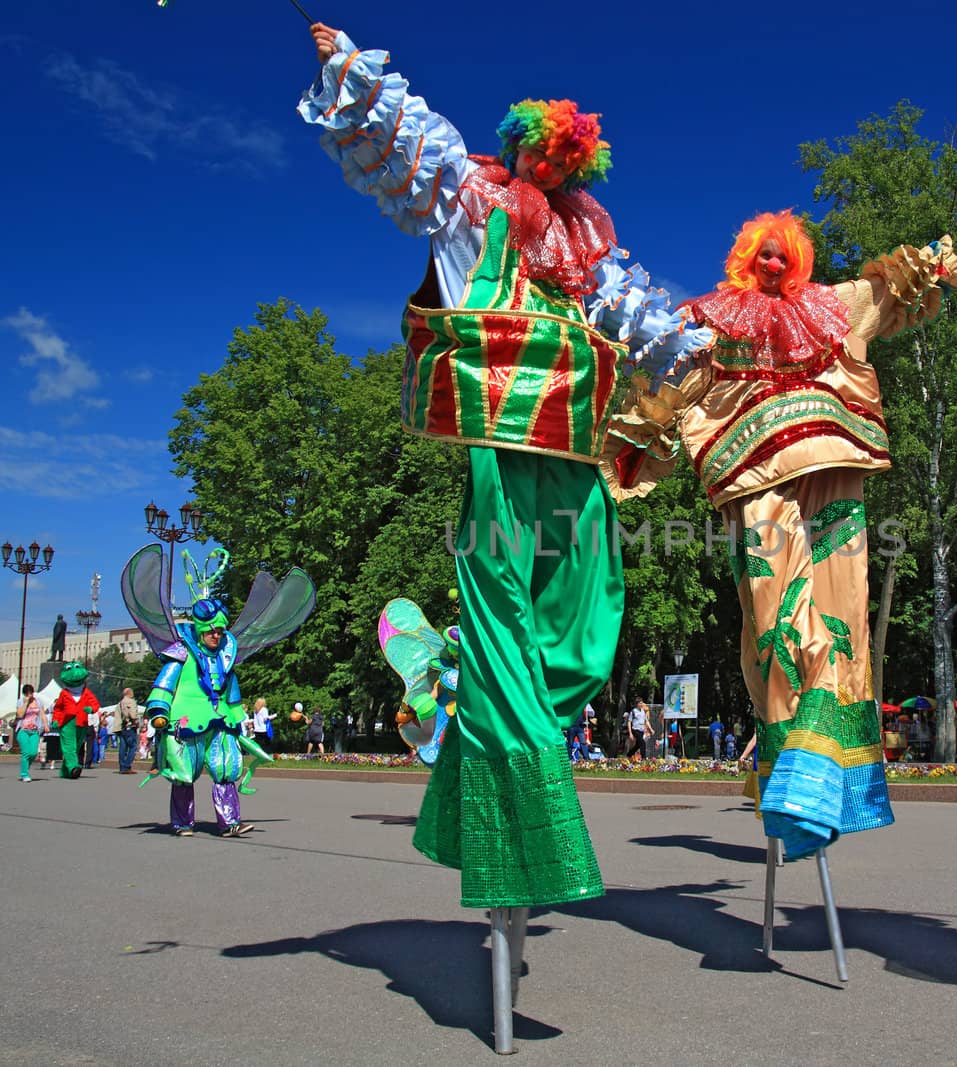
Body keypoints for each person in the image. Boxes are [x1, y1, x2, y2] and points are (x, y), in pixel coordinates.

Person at [301, 21, 713, 910]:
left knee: (591, 622)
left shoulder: (581, 249)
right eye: (543, 151)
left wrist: (703, 350)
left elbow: (644, 314)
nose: (553, 169)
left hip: (574, 443)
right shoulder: (469, 198)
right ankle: (513, 786)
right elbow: (405, 125)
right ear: (519, 146)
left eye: (569, 160)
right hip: (497, 437)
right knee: (501, 611)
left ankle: (474, 731)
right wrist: (346, 63)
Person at [604, 211, 957, 857]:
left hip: (832, 460)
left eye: (784, 256)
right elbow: (674, 381)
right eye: (763, 255)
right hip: (750, 477)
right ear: (746, 258)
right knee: (771, 614)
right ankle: (791, 757)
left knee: (842, 610)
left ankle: (823, 763)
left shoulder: (832, 305)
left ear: (797, 261)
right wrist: (632, 441)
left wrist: (931, 266)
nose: (774, 265)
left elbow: (884, 290)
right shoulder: (713, 322)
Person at [131, 547, 311, 838]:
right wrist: (160, 713)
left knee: (226, 772)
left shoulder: (226, 657)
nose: (218, 635)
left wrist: (239, 718)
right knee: (184, 775)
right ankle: (182, 823)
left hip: (220, 723)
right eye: (212, 630)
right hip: (185, 724)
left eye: (220, 630)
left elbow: (232, 693)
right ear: (201, 630)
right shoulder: (182, 653)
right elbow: (163, 685)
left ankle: (230, 823)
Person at [51, 663, 100, 780]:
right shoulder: (64, 693)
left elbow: (95, 703)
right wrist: (56, 720)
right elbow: (58, 708)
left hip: (81, 723)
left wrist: (91, 709)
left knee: (77, 746)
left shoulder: (86, 692)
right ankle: (73, 767)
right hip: (67, 723)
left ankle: (65, 771)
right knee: (69, 747)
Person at [15, 685, 45, 782]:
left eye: (31, 693)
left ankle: (25, 767)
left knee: (33, 753)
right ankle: (24, 774)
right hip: (23, 729)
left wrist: (46, 725)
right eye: (27, 693)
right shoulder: (20, 701)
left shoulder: (38, 701)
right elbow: (19, 715)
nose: (29, 695)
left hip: (34, 730)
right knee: (26, 752)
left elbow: (42, 714)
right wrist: (26, 702)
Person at [116, 688, 142, 774]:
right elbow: (133, 714)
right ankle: (127, 766)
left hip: (123, 726)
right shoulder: (131, 701)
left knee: (123, 748)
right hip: (130, 726)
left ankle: (122, 766)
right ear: (129, 693)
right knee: (133, 747)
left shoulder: (121, 702)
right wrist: (136, 722)